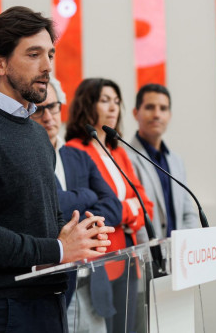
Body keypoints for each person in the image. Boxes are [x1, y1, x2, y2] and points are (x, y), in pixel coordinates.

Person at [0, 6, 115, 333]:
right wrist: (58, 249)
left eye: (50, 53)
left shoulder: (36, 133)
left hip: (48, 302)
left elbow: (47, 217)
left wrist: (76, 235)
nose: (48, 66)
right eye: (34, 54)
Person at [32, 77, 122, 333]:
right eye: (39, 109)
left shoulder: (78, 156)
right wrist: (84, 195)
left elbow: (113, 207)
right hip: (51, 286)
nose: (48, 116)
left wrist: (73, 213)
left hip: (92, 283)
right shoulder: (24, 158)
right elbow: (44, 208)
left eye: (54, 107)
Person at [65, 77, 154, 333]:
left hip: (128, 258)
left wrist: (123, 212)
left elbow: (144, 204)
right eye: (105, 101)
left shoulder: (118, 151)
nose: (114, 108)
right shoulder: (75, 151)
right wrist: (127, 211)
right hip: (102, 262)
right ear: (87, 105)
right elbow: (90, 212)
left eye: (116, 102)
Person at [126, 83, 199, 241]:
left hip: (180, 255)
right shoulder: (125, 158)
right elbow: (134, 221)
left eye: (163, 108)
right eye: (150, 107)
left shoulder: (176, 160)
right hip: (148, 257)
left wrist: (184, 249)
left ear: (169, 115)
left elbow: (188, 213)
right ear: (135, 113)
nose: (157, 114)